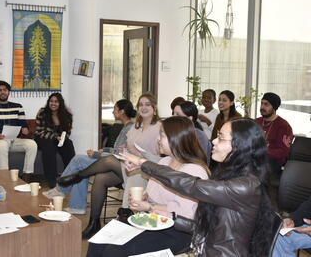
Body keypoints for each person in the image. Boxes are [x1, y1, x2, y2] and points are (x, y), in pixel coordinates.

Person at [122, 118, 274, 257]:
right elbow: (208, 227)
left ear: (240, 146)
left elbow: (192, 186)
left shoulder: (245, 186)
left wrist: (143, 163)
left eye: (221, 138)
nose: (213, 141)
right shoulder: (229, 175)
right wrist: (174, 218)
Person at [86, 116, 209, 257]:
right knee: (98, 241)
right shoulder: (164, 162)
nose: (158, 139)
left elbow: (185, 213)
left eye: (162, 134)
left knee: (114, 252)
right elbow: (151, 192)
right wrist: (143, 198)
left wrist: (150, 207)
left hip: (177, 231)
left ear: (176, 137)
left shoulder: (195, 170)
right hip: (152, 222)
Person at [58, 93, 161, 239]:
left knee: (109, 160)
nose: (144, 107)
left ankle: (79, 176)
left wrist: (138, 153)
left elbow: (162, 158)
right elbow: (128, 147)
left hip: (146, 172)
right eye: (141, 105)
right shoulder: (135, 127)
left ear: (154, 107)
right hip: (128, 167)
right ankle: (94, 224)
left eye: (147, 104)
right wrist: (124, 149)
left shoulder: (159, 127)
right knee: (101, 178)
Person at [42, 99, 136, 214]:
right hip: (112, 160)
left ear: (122, 111)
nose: (112, 112)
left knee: (78, 160)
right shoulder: (125, 127)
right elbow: (118, 149)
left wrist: (97, 154)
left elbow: (120, 154)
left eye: (114, 109)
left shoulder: (129, 128)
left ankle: (61, 189)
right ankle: (76, 206)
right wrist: (104, 150)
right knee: (80, 165)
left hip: (117, 165)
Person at [0, 81, 37, 179]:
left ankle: (27, 174)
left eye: (5, 90)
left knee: (32, 144)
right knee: (2, 144)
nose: (2, 92)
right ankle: (4, 176)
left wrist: (25, 129)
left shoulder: (18, 107)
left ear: (9, 92)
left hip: (15, 140)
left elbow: (23, 124)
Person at [34, 93, 75, 188]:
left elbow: (67, 132)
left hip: (58, 139)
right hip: (42, 138)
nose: (53, 103)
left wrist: (63, 138)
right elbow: (39, 131)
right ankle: (52, 179)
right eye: (51, 101)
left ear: (60, 103)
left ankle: (70, 176)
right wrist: (54, 136)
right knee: (49, 145)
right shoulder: (42, 112)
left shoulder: (67, 115)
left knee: (69, 143)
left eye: (56, 101)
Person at [255, 92, 293, 177]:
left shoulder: (283, 126)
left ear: (274, 107)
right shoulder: (257, 121)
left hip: (273, 162)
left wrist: (262, 151)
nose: (262, 107)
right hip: (255, 158)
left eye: (266, 104)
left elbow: (283, 152)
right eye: (261, 103)